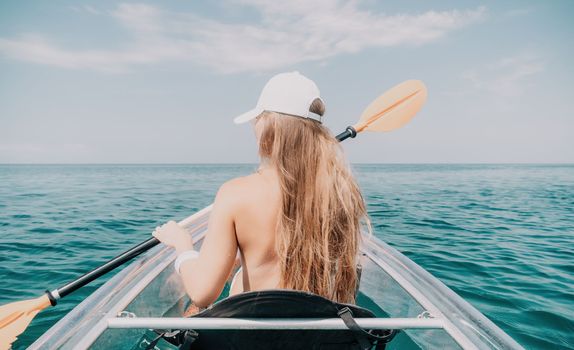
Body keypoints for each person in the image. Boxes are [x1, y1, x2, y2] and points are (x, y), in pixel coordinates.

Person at [153, 71, 370, 309]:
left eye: (258, 119)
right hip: (319, 335)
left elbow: (203, 293)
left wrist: (183, 245)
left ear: (269, 126)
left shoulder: (235, 193)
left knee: (193, 310)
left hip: (254, 334)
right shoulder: (342, 193)